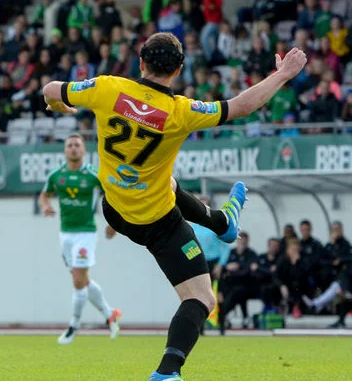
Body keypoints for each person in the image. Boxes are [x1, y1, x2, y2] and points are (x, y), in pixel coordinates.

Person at [41, 32, 307, 380]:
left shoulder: (107, 88)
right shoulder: (180, 110)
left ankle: (219, 223)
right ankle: (168, 371)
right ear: (179, 69)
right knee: (202, 298)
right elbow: (241, 106)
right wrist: (283, 74)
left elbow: (49, 89)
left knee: (164, 180)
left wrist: (60, 103)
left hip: (116, 210)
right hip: (159, 223)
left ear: (140, 63)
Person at [39, 132, 121, 345]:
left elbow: (112, 197)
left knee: (77, 280)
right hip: (65, 234)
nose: (73, 148)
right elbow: (44, 195)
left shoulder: (94, 175)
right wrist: (46, 206)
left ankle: (74, 326)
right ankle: (110, 314)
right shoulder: (56, 175)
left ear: (84, 150)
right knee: (82, 279)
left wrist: (113, 224)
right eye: (70, 145)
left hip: (86, 233)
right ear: (65, 150)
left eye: (77, 145)